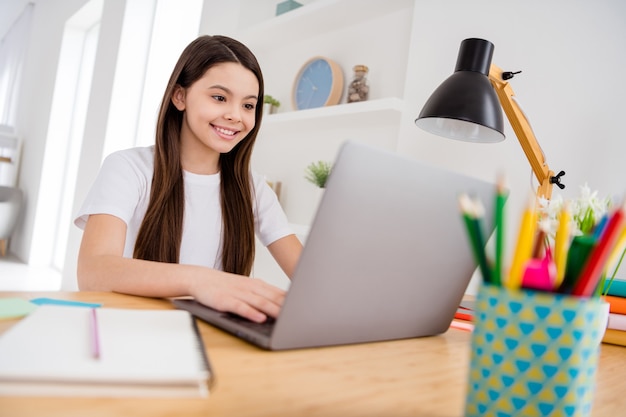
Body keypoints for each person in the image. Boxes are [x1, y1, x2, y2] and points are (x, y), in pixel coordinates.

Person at [75, 35, 302, 323]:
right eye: (219, 98)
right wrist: (200, 280)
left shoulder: (253, 188)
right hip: (130, 330)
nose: (235, 115)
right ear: (180, 96)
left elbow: (313, 282)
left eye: (248, 105)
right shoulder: (128, 168)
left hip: (211, 340)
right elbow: (93, 272)